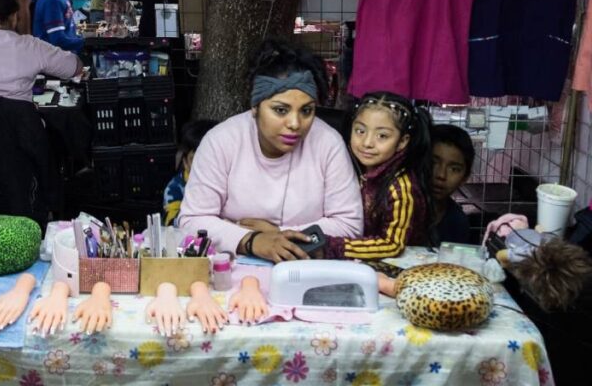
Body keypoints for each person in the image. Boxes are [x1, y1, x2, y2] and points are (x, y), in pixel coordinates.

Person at [178, 39, 363, 261]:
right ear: (255, 107)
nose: (295, 123)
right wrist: (253, 241)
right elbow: (192, 220)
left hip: (306, 268)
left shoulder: (328, 144)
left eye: (306, 111)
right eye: (280, 110)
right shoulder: (221, 141)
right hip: (230, 271)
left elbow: (350, 225)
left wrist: (277, 235)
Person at [323, 92, 433, 260]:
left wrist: (332, 247)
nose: (367, 143)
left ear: (402, 141)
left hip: (395, 271)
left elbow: (392, 245)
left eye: (382, 136)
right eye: (360, 131)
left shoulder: (402, 188)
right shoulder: (350, 165)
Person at [164, 120, 219, 227]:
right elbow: (171, 223)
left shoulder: (228, 181)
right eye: (196, 160)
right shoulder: (175, 188)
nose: (204, 166)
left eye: (210, 159)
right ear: (185, 162)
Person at [431, 124, 476, 244]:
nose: (441, 175)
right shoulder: (393, 210)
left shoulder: (457, 222)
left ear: (465, 177)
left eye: (454, 169)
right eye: (433, 163)